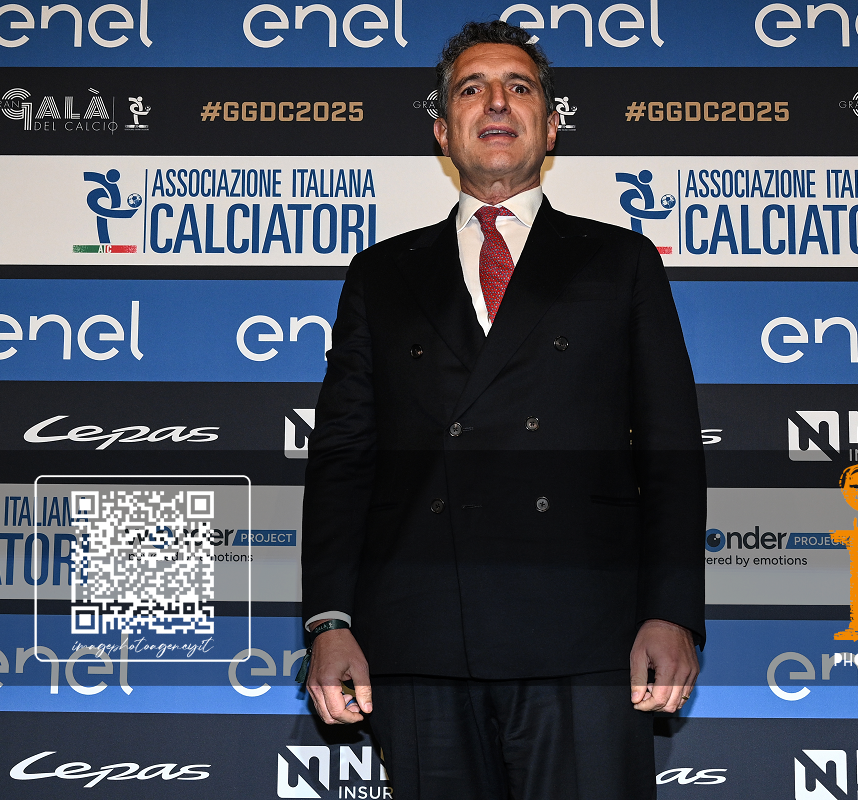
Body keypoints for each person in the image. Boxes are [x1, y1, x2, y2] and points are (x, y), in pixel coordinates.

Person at [300, 19, 706, 799]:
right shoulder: (380, 274)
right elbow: (344, 458)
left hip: (586, 631)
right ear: (441, 132)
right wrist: (329, 621)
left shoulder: (619, 260)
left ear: (549, 128)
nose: (495, 101)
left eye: (518, 87)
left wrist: (671, 613)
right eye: (470, 89)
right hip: (418, 636)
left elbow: (670, 454)